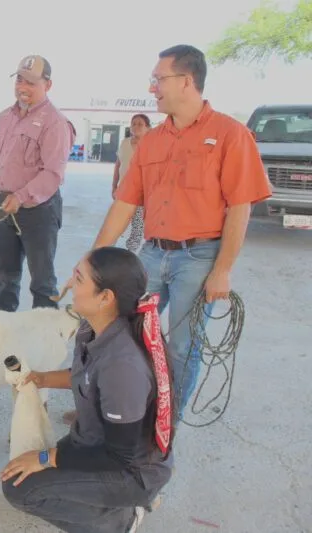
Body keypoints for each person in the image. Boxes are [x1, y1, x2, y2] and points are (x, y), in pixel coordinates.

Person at [92, 44, 271, 415]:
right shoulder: (152, 141)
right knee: (123, 331)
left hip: (200, 258)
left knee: (181, 347)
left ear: (186, 81)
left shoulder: (230, 135)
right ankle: (118, 409)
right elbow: (126, 203)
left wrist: (222, 270)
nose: (152, 88)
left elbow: (240, 207)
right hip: (152, 253)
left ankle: (164, 428)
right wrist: (95, 259)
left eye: (159, 79)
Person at [1, 247, 175, 533]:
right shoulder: (94, 327)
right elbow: (87, 377)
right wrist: (40, 379)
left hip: (128, 471)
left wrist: (46, 458)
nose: (71, 282)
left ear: (106, 298)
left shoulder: (123, 366)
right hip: (93, 444)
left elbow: (119, 457)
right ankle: (112, 507)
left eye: (79, 279)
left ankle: (123, 520)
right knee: (22, 469)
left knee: (19, 489)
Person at [0, 55, 74, 311]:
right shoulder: (3, 118)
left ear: (48, 85)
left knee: (42, 283)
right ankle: (4, 337)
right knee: (4, 277)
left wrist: (20, 197)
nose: (23, 87)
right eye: (19, 80)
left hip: (38, 211)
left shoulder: (55, 123)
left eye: (31, 82)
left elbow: (52, 174)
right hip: (3, 206)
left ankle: (43, 345)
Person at [112, 114, 151, 253]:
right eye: (133, 124)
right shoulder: (124, 143)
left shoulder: (151, 144)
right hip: (123, 191)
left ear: (148, 127)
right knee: (116, 222)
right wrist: (114, 186)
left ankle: (131, 252)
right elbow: (118, 165)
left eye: (140, 124)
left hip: (142, 193)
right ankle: (110, 249)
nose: (136, 127)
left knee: (138, 225)